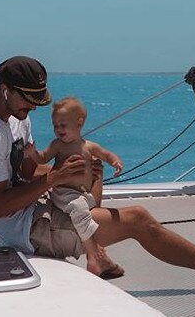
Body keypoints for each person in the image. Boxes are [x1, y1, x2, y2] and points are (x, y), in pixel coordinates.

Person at [0, 55, 195, 289]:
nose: (32, 107)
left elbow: (29, 171)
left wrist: (68, 170)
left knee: (92, 189)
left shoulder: (18, 116)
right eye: (27, 99)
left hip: (39, 207)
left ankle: (98, 256)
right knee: (137, 218)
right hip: (27, 230)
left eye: (36, 100)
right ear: (3, 89)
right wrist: (55, 177)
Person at [26, 96, 125, 278]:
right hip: (64, 193)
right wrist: (32, 153)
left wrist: (115, 162)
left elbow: (106, 154)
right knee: (80, 211)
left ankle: (98, 253)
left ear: (79, 124)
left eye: (63, 125)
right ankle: (93, 254)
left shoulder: (88, 146)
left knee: (92, 206)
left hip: (81, 193)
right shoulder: (58, 145)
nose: (58, 129)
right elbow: (43, 158)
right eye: (55, 125)